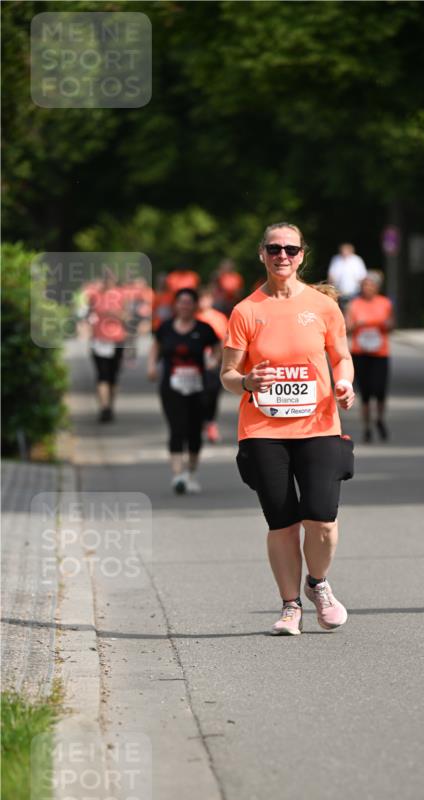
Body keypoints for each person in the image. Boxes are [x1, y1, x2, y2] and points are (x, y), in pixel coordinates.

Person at [222, 222, 355, 635]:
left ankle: (317, 584)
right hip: (262, 429)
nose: (283, 256)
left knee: (323, 519)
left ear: (303, 255)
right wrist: (246, 382)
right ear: (261, 253)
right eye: (275, 248)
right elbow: (227, 374)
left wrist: (345, 383)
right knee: (282, 522)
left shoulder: (322, 306)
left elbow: (342, 357)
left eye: (291, 249)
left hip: (318, 425)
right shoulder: (246, 311)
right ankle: (290, 606)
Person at [148, 288, 221, 494]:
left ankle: (190, 473)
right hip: (171, 387)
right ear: (175, 305)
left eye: (189, 302)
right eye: (181, 302)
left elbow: (218, 347)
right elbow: (156, 347)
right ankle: (178, 475)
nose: (185, 306)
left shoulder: (204, 329)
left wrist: (213, 361)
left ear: (195, 306)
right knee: (176, 428)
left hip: (198, 388)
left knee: (194, 432)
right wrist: (152, 366)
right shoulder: (166, 328)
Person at [346, 272, 395, 442]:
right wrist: (355, 324)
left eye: (371, 285)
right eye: (365, 285)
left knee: (380, 391)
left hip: (380, 353)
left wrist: (385, 324)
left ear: (377, 287)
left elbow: (391, 326)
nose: (368, 288)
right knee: (366, 394)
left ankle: (380, 419)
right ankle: (367, 427)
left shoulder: (385, 303)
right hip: (361, 354)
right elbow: (347, 327)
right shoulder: (355, 304)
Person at [86, 271, 127, 422]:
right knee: (102, 374)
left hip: (117, 339)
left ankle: (110, 405)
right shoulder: (95, 296)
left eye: (111, 279)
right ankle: (104, 408)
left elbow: (127, 317)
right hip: (99, 340)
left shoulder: (121, 295)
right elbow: (90, 316)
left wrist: (115, 314)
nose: (108, 282)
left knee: (113, 375)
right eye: (106, 279)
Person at [197, 286, 229, 443]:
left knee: (213, 393)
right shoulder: (194, 317)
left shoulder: (219, 318)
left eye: (206, 298)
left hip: (214, 361)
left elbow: (224, 340)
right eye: (201, 299)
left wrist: (220, 359)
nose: (203, 302)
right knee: (197, 395)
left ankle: (210, 423)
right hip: (195, 363)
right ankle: (199, 423)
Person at [328, 242, 367, 311]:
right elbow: (331, 276)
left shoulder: (357, 260)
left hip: (355, 292)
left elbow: (363, 276)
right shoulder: (336, 259)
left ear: (351, 251)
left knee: (353, 310)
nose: (344, 252)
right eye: (343, 250)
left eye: (346, 250)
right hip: (339, 292)